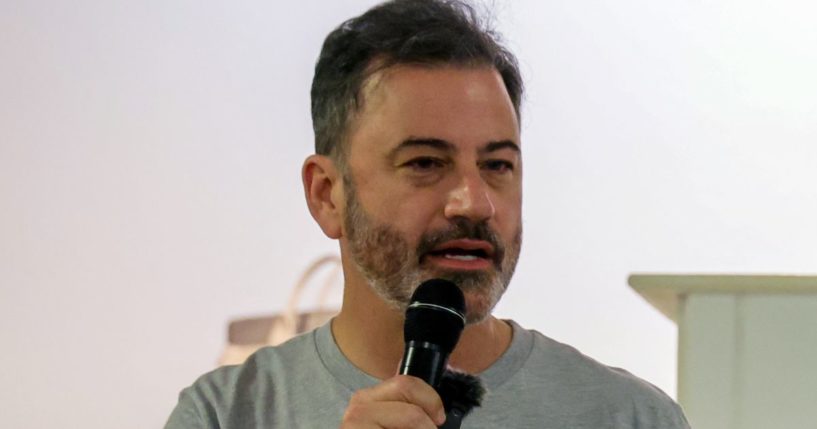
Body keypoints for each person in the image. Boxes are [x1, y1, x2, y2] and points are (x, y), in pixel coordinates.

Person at [165, 0, 690, 427]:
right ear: (327, 195)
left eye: (497, 165)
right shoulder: (228, 414)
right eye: (425, 162)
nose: (475, 202)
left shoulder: (628, 418)